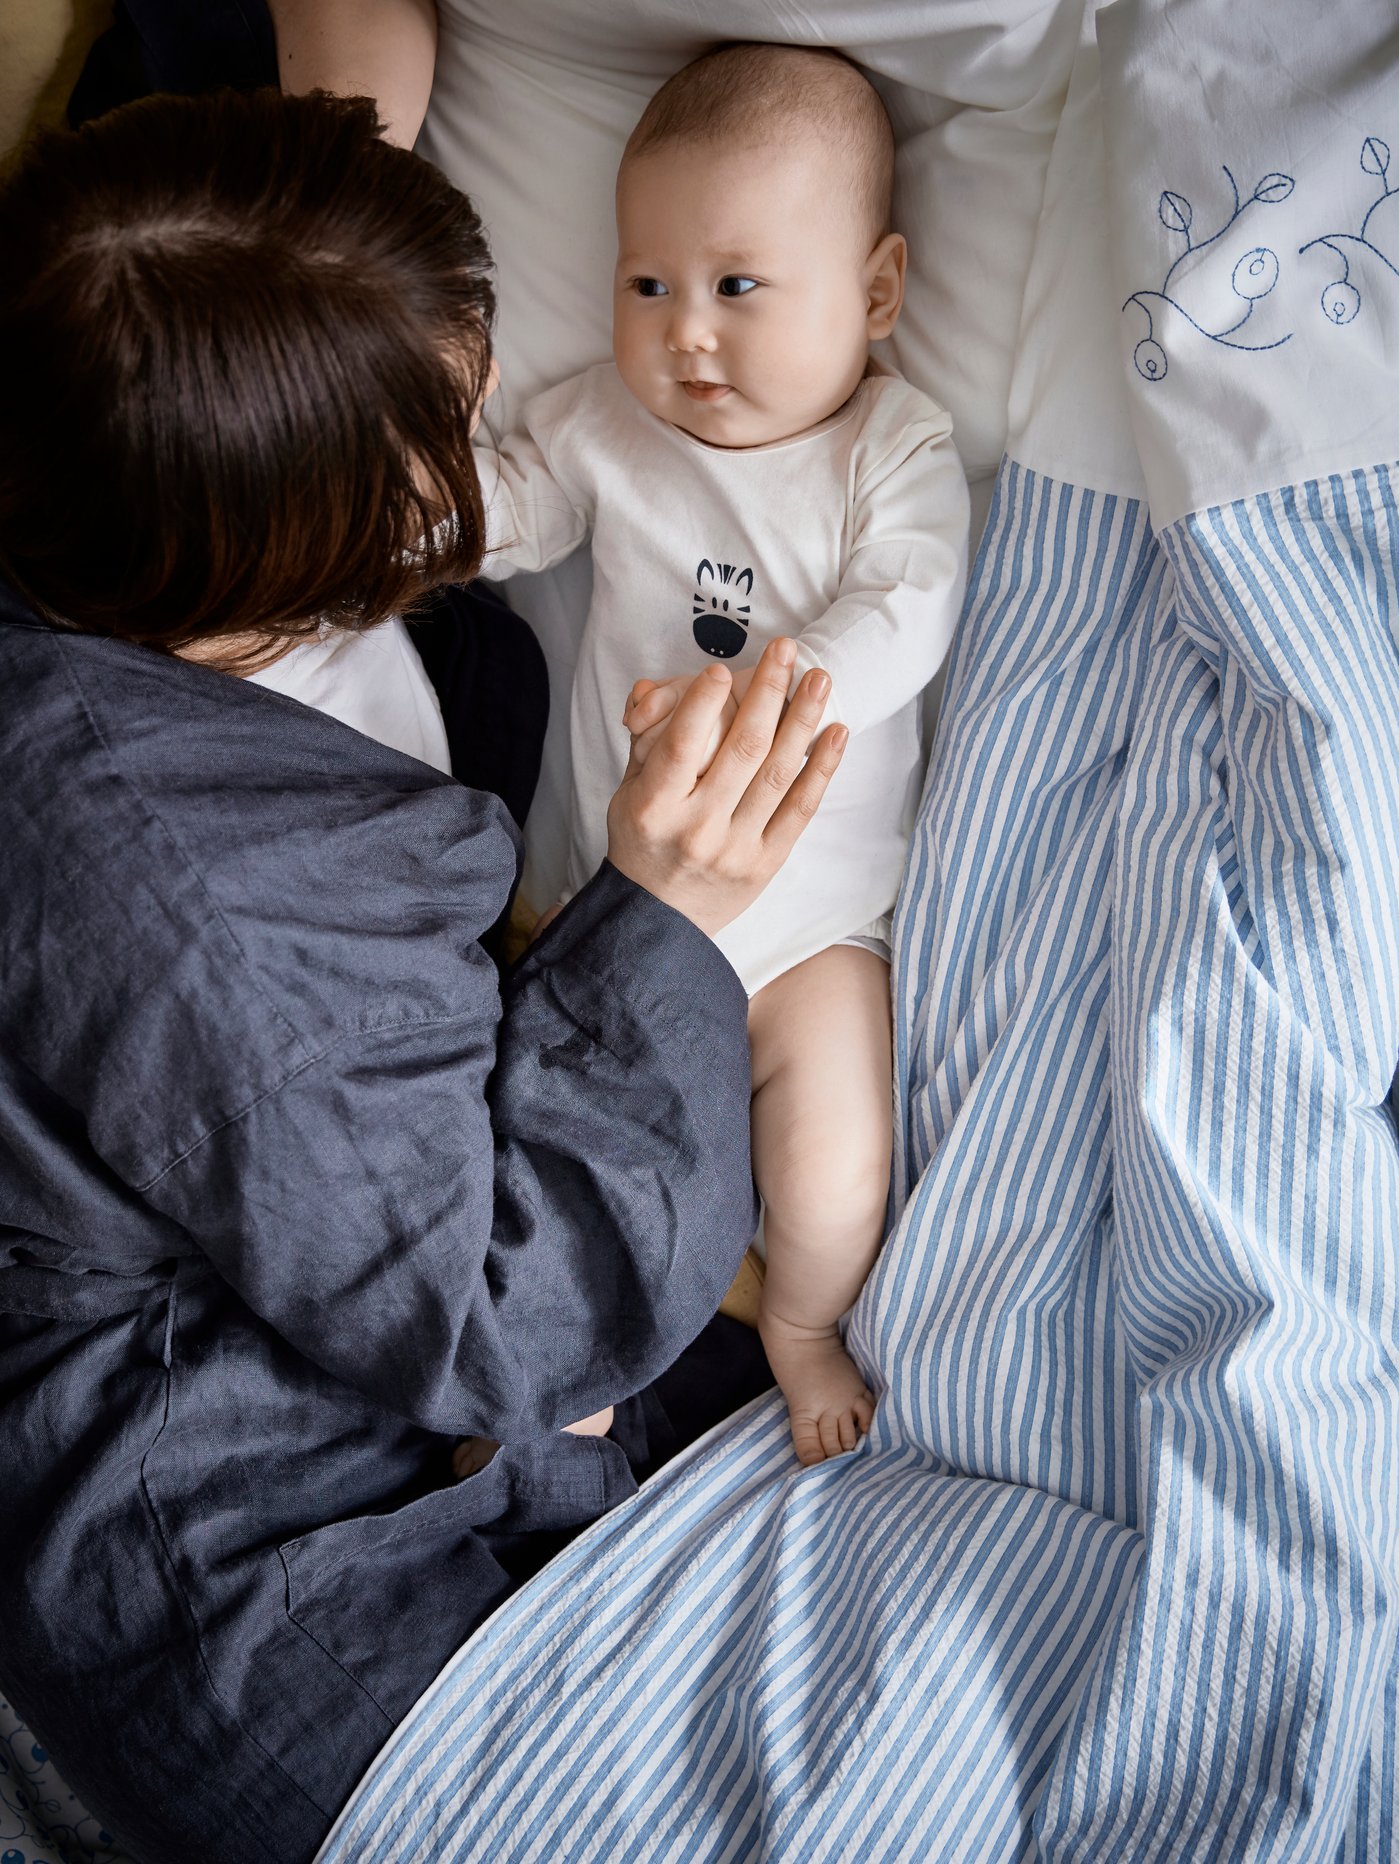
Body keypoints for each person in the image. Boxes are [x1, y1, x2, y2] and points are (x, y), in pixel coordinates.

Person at [0, 87, 844, 1864]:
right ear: (273, 531)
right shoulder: (212, 908)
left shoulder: (88, 510)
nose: (478, 459)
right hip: (278, 1622)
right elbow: (504, 1319)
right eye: (444, 434)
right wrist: (661, 902)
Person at [469, 45, 970, 1464]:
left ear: (874, 294)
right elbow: (509, 515)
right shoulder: (603, 424)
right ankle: (566, 1355)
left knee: (832, 1165)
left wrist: (788, 689)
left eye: (737, 288)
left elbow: (914, 600)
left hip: (813, 939)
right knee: (553, 1138)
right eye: (648, 286)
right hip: (610, 909)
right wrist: (433, 491)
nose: (687, 334)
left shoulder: (890, 443)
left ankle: (800, 1324)